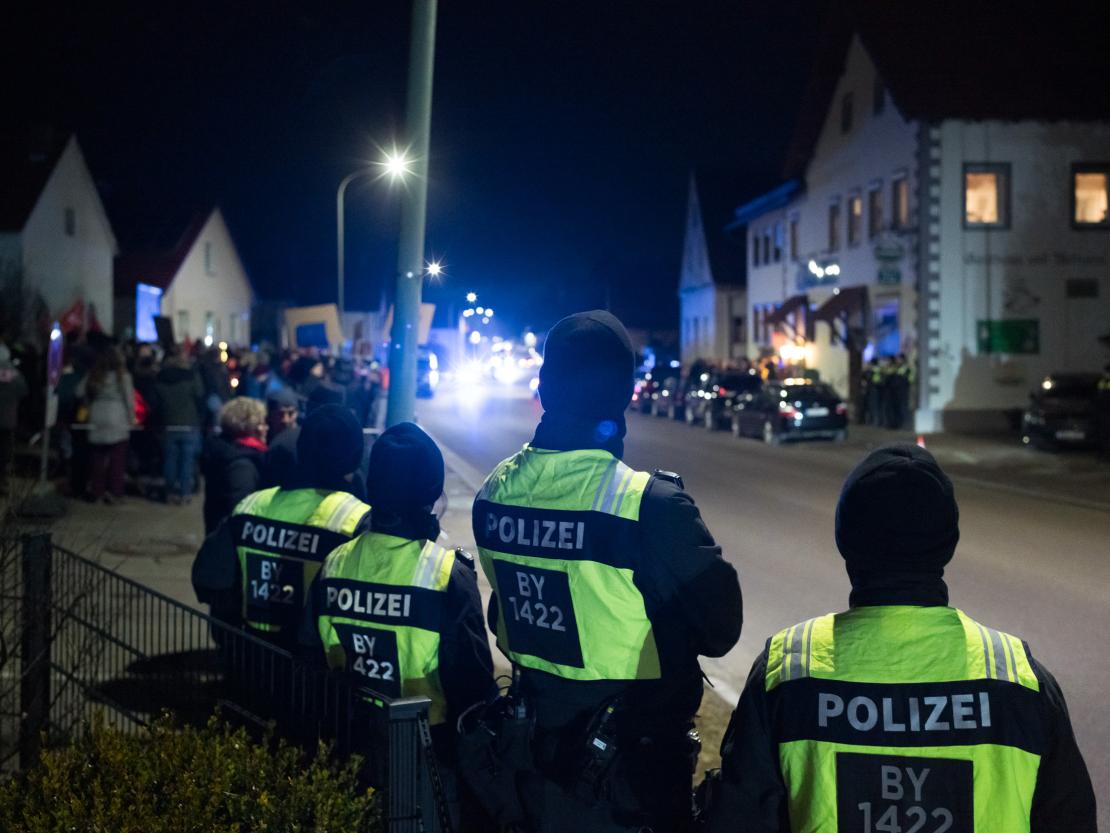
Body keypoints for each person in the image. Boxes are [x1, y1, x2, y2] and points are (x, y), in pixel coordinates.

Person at [706, 444, 1096, 833]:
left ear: (846, 540)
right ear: (948, 542)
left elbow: (740, 819)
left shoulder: (787, 671)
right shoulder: (1019, 680)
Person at [470, 310, 743, 832]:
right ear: (626, 393)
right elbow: (722, 630)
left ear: (545, 388)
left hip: (529, 765)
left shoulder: (493, 493)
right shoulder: (649, 505)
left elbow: (503, 610)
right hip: (631, 785)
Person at [304, 422, 495, 827]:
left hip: (353, 737)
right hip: (428, 751)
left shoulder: (335, 563)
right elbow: (473, 682)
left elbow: (309, 654)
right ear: (430, 494)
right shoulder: (446, 573)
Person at [192, 404, 370, 648]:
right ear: (354, 457)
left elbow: (208, 580)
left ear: (302, 447)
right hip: (313, 668)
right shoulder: (356, 518)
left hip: (249, 654)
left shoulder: (252, 505)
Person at [200, 397, 268, 535]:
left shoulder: (224, 450)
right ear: (249, 427)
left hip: (216, 531)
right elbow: (240, 510)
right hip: (231, 541)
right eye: (261, 423)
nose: (266, 428)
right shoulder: (241, 465)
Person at [76, 345, 135, 504]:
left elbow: (78, 391)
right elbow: (129, 400)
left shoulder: (94, 375)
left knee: (97, 458)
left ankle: (97, 491)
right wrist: (132, 419)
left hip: (97, 416)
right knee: (117, 459)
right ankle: (115, 492)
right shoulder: (123, 377)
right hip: (118, 418)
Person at [153, 349, 204, 504]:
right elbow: (200, 396)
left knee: (170, 460)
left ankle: (170, 491)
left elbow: (156, 403)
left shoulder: (161, 380)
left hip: (169, 425)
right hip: (189, 424)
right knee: (187, 461)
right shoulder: (191, 378)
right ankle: (185, 493)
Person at [0, 344, 28, 495]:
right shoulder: (12, 372)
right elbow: (23, 389)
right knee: (4, 450)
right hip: (7, 417)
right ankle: (2, 480)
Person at [1096, 363, 1110, 459]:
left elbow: (1100, 396)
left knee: (1105, 435)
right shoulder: (1103, 381)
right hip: (1104, 412)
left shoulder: (1103, 381)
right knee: (1104, 435)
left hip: (1105, 412)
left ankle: (1105, 454)